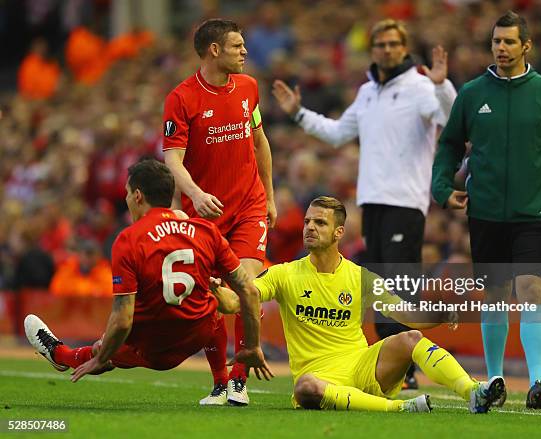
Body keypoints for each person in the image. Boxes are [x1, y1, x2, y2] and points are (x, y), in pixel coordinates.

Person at [272, 18, 457, 389]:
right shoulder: (367, 92)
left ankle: (406, 368)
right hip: (372, 200)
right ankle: (393, 367)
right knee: (380, 285)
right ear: (372, 50)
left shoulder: (421, 86)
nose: (386, 50)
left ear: (404, 48)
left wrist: (442, 86)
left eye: (393, 44)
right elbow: (339, 133)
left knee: (399, 283)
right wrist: (298, 113)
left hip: (405, 200)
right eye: (380, 45)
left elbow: (449, 118)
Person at [431, 11, 541, 409]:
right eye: (496, 42)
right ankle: (496, 379)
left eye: (508, 42)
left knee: (530, 291)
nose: (501, 48)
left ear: (526, 46)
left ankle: (539, 381)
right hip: (485, 213)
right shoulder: (472, 94)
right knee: (496, 296)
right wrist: (441, 188)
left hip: (534, 215)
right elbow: (450, 146)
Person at [213, 196, 505, 414]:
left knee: (410, 338)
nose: (310, 228)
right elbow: (239, 301)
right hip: (320, 376)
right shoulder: (284, 273)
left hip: (363, 366)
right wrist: (217, 292)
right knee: (305, 387)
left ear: (339, 233)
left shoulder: (360, 276)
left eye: (320, 222)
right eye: (307, 222)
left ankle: (473, 392)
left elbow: (404, 312)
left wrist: (440, 313)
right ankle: (399, 408)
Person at [24, 160, 272, 396]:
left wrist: (101, 356)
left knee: (105, 346)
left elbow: (122, 321)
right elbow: (249, 292)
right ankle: (225, 383)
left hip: (151, 349)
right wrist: (252, 346)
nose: (126, 198)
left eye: (127, 192)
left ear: (138, 196)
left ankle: (62, 355)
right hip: (196, 337)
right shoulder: (207, 231)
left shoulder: (129, 239)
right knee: (213, 294)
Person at [163, 18, 276, 405]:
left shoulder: (248, 88)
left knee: (247, 285)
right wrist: (196, 194)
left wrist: (271, 198)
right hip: (205, 213)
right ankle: (219, 380)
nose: (245, 52)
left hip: (248, 205)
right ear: (214, 50)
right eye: (237, 46)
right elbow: (173, 161)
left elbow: (259, 140)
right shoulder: (182, 98)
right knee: (210, 296)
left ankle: (240, 382)